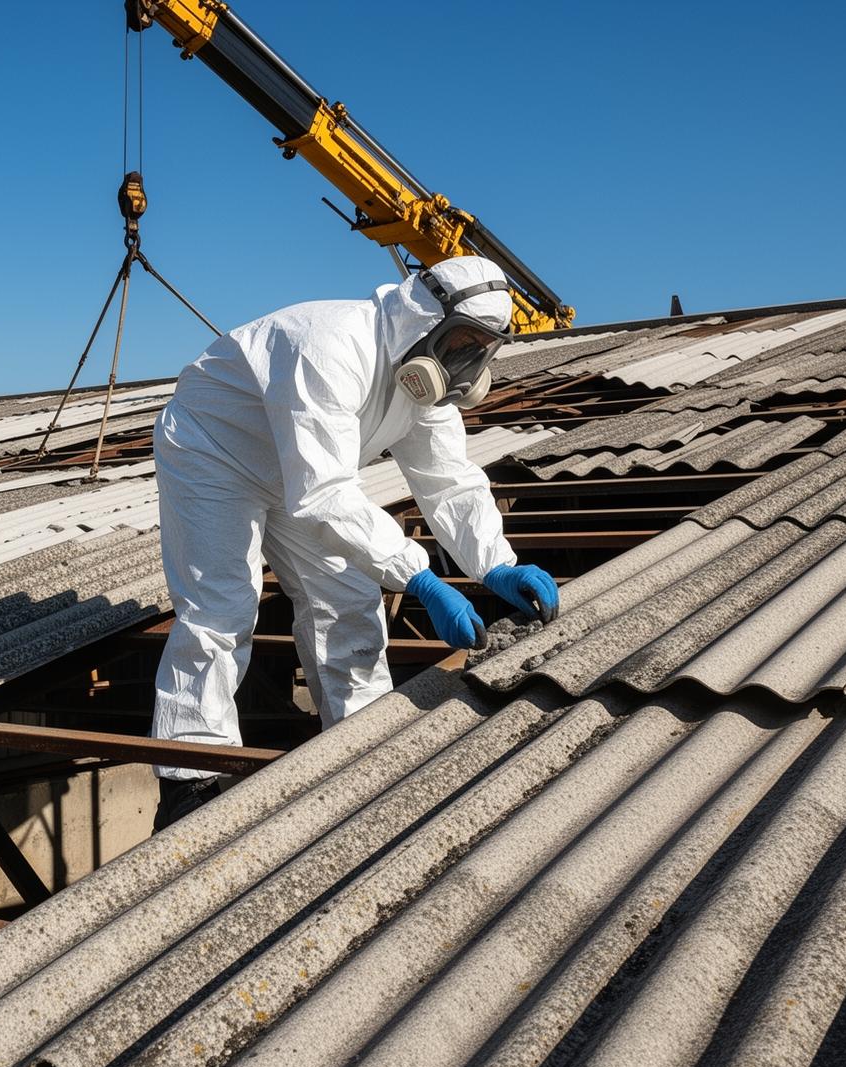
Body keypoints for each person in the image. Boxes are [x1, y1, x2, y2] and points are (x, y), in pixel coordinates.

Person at [149, 256, 559, 826]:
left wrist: (496, 564)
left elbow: (449, 482)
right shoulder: (332, 344)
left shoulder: (424, 385)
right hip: (215, 451)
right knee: (222, 606)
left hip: (300, 472)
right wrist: (419, 577)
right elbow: (324, 492)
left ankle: (361, 746)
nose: (466, 363)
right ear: (424, 317)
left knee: (348, 600)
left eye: (480, 348)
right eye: (463, 341)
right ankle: (191, 773)